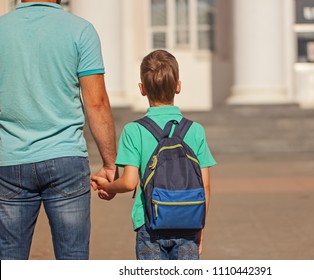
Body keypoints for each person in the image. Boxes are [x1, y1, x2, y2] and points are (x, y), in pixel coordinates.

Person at [0, 0, 117, 260]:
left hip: (8, 160)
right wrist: (110, 163)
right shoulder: (80, 30)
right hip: (65, 159)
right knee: (72, 259)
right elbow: (96, 103)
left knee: (8, 259)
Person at [92, 49, 216, 260]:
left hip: (149, 224)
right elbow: (205, 187)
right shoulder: (195, 130)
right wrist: (200, 228)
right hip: (188, 224)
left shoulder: (134, 130)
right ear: (178, 86)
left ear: (142, 89)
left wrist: (107, 186)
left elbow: (129, 183)